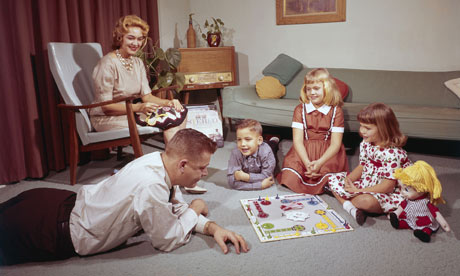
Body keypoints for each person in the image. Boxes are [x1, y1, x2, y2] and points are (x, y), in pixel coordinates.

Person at [0, 129, 249, 265]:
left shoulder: (158, 162)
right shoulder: (151, 186)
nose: (205, 174)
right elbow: (168, 238)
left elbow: (173, 209)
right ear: (183, 164)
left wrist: (212, 227)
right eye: (202, 167)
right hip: (53, 229)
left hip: (51, 201)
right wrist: (195, 208)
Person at [89, 15, 186, 143]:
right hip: (107, 118)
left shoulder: (137, 62)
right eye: (131, 38)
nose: (136, 43)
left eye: (140, 39)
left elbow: (147, 97)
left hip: (132, 112)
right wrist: (139, 108)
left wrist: (169, 102)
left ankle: (176, 157)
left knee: (178, 110)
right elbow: (106, 107)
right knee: (169, 119)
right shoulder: (107, 64)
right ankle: (174, 159)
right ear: (120, 38)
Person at [328, 103, 412, 225]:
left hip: (385, 191)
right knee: (332, 178)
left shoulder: (393, 154)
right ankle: (350, 207)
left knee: (366, 202)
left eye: (367, 128)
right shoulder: (366, 143)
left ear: (384, 129)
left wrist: (359, 190)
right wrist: (348, 180)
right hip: (367, 183)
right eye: (361, 126)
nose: (362, 131)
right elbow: (362, 166)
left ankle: (347, 202)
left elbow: (387, 186)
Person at [278, 68, 348, 194]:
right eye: (308, 89)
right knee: (289, 177)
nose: (312, 93)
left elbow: (336, 144)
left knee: (331, 179)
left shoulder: (336, 111)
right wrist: (307, 163)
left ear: (327, 88)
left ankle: (325, 181)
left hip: (327, 152)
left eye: (316, 88)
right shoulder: (300, 109)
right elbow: (298, 141)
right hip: (304, 150)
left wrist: (319, 163)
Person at [390, 161, 451, 242]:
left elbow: (436, 214)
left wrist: (445, 226)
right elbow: (402, 206)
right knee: (406, 221)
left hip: (423, 220)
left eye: (406, 190)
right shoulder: (408, 200)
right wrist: (395, 214)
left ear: (421, 189)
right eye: (400, 188)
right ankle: (398, 224)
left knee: (426, 227)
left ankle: (424, 233)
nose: (402, 192)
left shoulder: (426, 203)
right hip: (411, 218)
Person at [227, 119, 278, 190]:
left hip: (265, 149)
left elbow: (267, 177)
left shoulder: (266, 151)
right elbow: (232, 182)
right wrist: (260, 185)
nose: (242, 144)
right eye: (239, 139)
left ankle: (273, 141)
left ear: (259, 140)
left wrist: (246, 177)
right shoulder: (236, 153)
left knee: (272, 145)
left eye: (247, 139)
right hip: (255, 147)